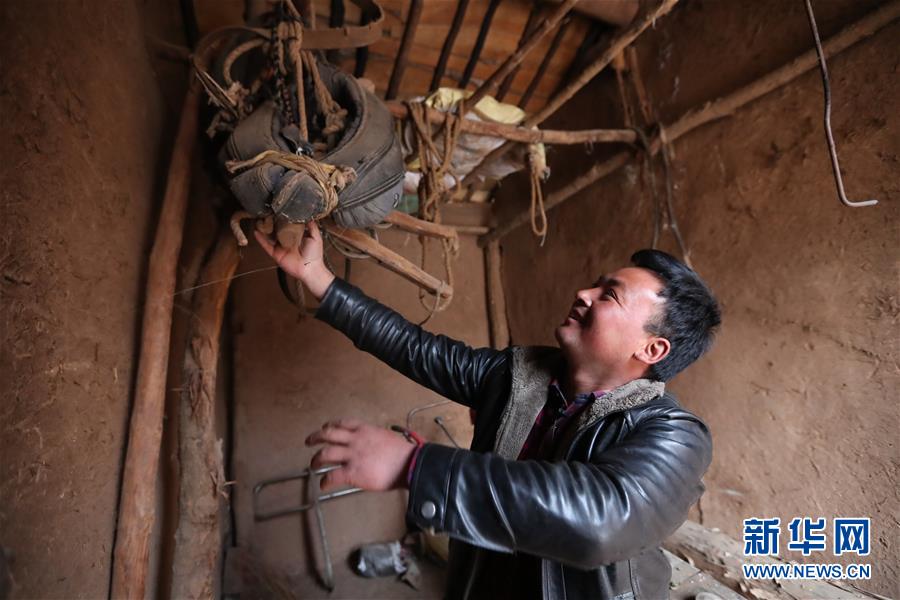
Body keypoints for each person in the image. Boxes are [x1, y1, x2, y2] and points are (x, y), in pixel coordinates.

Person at [255, 221, 721, 600]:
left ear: (652, 348)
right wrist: (321, 281)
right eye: (595, 286)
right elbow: (417, 349)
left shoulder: (674, 434)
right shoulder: (518, 374)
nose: (583, 293)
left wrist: (416, 466)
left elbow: (602, 521)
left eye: (609, 295)